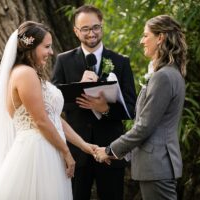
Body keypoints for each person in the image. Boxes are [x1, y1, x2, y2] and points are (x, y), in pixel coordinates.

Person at [0, 21, 97, 200]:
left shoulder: (29, 73)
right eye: (47, 47)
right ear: (31, 47)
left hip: (48, 147)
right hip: (37, 153)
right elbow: (41, 120)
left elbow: (53, 118)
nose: (51, 52)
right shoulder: (25, 74)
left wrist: (83, 145)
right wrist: (66, 152)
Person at [95, 15, 187, 200]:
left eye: (146, 35)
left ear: (160, 37)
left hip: (157, 165)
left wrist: (110, 150)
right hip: (157, 165)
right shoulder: (169, 72)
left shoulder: (163, 77)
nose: (142, 41)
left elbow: (144, 126)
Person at [52, 5, 137, 200]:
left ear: (102, 26)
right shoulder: (63, 61)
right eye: (85, 29)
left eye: (96, 27)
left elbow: (131, 109)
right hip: (76, 150)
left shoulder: (121, 62)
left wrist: (105, 109)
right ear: (76, 31)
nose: (92, 33)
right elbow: (53, 104)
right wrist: (79, 88)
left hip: (111, 150)